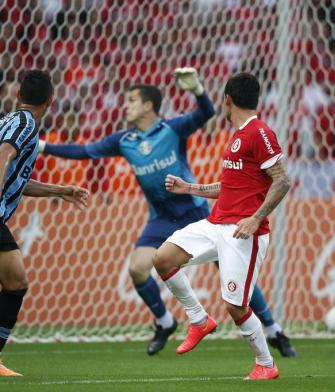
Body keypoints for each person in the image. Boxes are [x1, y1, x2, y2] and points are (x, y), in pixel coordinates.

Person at [39, 68, 296, 357]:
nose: (125, 105)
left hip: (197, 212)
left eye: (132, 100)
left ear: (148, 105)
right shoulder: (123, 140)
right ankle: (166, 321)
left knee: (234, 281)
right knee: (139, 267)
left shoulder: (174, 128)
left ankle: (274, 330)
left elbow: (205, 113)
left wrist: (198, 90)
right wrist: (43, 146)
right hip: (161, 217)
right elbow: (84, 151)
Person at [153, 72, 291, 380]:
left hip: (242, 233)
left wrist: (255, 219)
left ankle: (266, 365)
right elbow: (229, 187)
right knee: (163, 258)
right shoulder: (238, 134)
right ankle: (198, 319)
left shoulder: (259, 132)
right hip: (215, 224)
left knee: (235, 307)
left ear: (227, 99)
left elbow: (282, 181)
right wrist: (189, 188)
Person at [0, 70, 89, 377]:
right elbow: (4, 155)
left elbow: (17, 180)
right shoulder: (25, 124)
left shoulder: (9, 121)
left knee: (14, 282)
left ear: (17, 95)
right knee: (15, 282)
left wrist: (59, 190)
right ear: (52, 100)